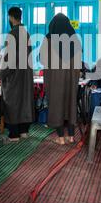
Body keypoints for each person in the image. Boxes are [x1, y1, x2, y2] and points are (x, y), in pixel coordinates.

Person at [39, 13, 82, 145]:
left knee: (57, 105)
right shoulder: (76, 40)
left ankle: (60, 138)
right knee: (70, 105)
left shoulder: (48, 39)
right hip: (71, 81)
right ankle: (71, 136)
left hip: (55, 81)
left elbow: (42, 59)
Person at [0, 7, 35, 142]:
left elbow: (8, 58)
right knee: (24, 102)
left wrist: (0, 76)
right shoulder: (26, 33)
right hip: (26, 74)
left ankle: (13, 135)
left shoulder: (12, 34)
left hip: (14, 76)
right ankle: (24, 131)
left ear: (11, 17)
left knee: (11, 102)